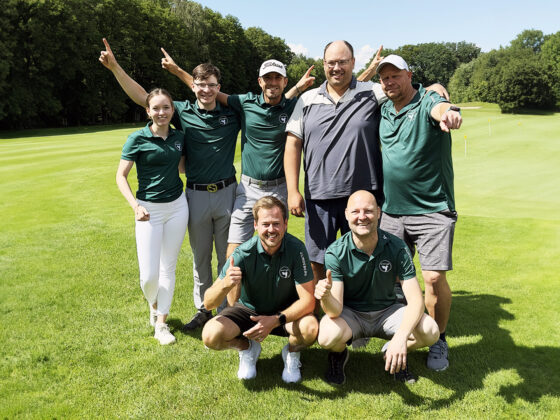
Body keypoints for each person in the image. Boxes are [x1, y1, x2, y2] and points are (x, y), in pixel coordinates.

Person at [99, 39, 240, 331]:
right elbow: (145, 98)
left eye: (212, 85)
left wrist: (178, 70)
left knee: (226, 257)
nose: (205, 89)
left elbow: (260, 102)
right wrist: (115, 68)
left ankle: (226, 310)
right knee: (200, 258)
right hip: (195, 195)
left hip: (227, 192)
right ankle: (204, 309)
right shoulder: (183, 111)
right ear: (194, 87)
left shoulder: (232, 113)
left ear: (219, 86)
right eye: (200, 84)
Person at [160, 50, 314, 258]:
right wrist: (178, 71)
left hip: (280, 187)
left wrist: (299, 89)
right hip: (248, 189)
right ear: (260, 81)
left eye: (277, 78)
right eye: (268, 78)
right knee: (233, 251)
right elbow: (206, 90)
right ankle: (233, 290)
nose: (272, 82)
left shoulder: (294, 105)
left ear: (285, 81)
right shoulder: (245, 103)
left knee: (277, 247)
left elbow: (331, 95)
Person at [376, 54, 462, 371]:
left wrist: (448, 113)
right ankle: (402, 327)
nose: (389, 82)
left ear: (409, 75)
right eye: (384, 77)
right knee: (393, 278)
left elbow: (441, 106)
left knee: (433, 277)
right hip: (392, 211)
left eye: (395, 75)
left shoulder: (427, 100)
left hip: (433, 209)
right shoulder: (383, 107)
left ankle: (438, 338)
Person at [315, 191, 439, 384]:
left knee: (430, 330)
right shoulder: (336, 252)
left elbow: (416, 300)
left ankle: (392, 351)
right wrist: (325, 297)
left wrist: (401, 338)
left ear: (379, 213)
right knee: (326, 336)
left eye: (368, 211)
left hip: (388, 312)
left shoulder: (397, 247)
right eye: (355, 211)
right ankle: (338, 355)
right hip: (352, 314)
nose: (362, 217)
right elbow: (335, 309)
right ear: (347, 214)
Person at [201, 196, 317, 383]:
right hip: (249, 312)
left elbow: (308, 300)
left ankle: (292, 354)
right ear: (255, 225)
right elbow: (208, 302)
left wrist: (275, 320)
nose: (271, 230)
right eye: (266, 224)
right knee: (210, 335)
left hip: (283, 313)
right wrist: (225, 284)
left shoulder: (296, 249)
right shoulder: (243, 253)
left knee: (310, 328)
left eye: (276, 224)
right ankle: (247, 348)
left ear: (286, 224)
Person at [116, 88, 189, 345]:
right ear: (148, 111)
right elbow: (120, 176)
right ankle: (154, 303)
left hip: (178, 207)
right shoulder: (137, 139)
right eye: (156, 108)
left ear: (172, 110)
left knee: (168, 267)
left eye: (166, 107)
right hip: (148, 211)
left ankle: (161, 323)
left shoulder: (180, 137)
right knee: (148, 276)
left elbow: (182, 167)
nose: (161, 113)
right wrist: (135, 206)